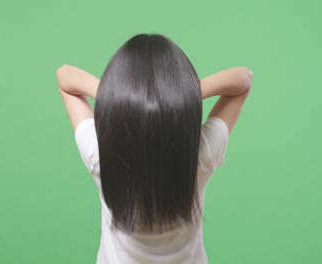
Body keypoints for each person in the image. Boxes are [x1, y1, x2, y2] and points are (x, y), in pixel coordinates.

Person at [56, 33, 253, 264]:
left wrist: (119, 99)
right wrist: (182, 97)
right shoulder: (200, 154)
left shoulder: (101, 154)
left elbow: (64, 76)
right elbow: (244, 79)